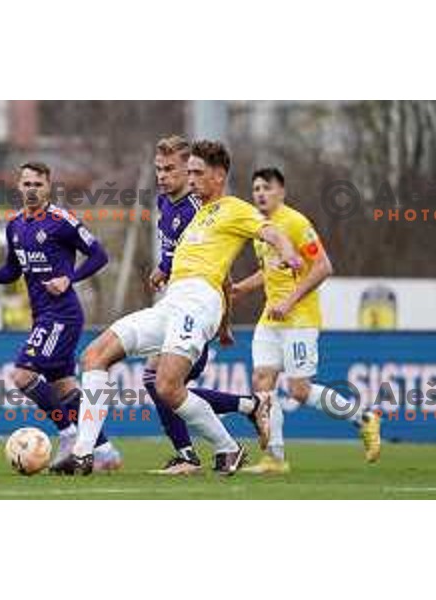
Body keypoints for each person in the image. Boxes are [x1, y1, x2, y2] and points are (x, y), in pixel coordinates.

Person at [55, 140, 302, 476]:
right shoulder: (196, 214)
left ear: (218, 176)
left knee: (166, 385)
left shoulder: (233, 207)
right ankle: (84, 454)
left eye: (198, 173)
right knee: (95, 355)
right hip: (171, 302)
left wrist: (288, 252)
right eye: (189, 172)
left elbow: (270, 231)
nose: (192, 179)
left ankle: (227, 447)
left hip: (199, 302)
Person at [0, 161, 122, 472]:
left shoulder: (61, 221)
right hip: (42, 315)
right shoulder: (14, 225)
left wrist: (71, 278)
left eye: (37, 184)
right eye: (26, 184)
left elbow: (99, 255)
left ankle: (68, 437)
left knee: (23, 373)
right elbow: (13, 270)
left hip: (63, 314)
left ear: (48, 187)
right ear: (19, 186)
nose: (31, 190)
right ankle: (105, 452)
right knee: (65, 388)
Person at [230, 167, 381, 474]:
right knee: (262, 380)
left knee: (299, 390)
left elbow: (323, 267)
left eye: (266, 188)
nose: (260, 193)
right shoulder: (261, 228)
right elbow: (270, 270)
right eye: (256, 188)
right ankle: (275, 458)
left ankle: (363, 417)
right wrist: (242, 289)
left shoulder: (296, 223)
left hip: (299, 318)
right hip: (270, 319)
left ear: (281, 192)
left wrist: (289, 301)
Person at [146, 135, 270, 475]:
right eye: (158, 169)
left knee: (163, 383)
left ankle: (191, 454)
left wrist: (225, 324)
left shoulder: (201, 208)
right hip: (177, 303)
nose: (163, 176)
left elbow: (221, 274)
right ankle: (249, 406)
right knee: (166, 385)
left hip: (197, 309)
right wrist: (163, 267)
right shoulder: (165, 204)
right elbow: (176, 252)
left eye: (172, 169)